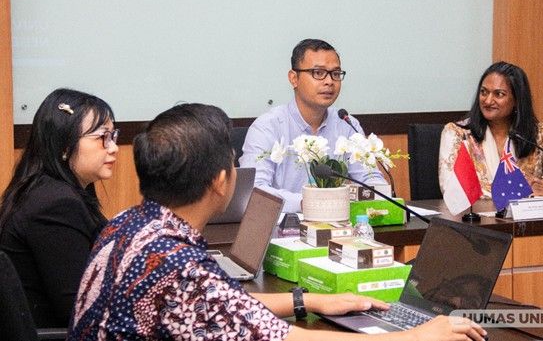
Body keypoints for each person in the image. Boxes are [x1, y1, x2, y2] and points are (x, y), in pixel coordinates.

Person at [68, 103, 486, 341]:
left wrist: (309, 301)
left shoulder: (130, 225)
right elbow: (284, 338)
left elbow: (225, 305)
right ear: (220, 180)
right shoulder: (180, 267)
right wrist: (412, 337)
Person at [0, 88, 119, 327]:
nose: (113, 147)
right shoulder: (55, 204)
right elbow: (78, 309)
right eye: (103, 137)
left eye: (113, 136)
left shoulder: (51, 190)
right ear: (64, 144)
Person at [239, 39, 385, 212]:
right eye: (318, 73)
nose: (329, 81)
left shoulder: (347, 124)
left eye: (335, 74)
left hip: (338, 223)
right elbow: (255, 191)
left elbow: (371, 179)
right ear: (294, 78)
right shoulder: (267, 127)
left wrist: (381, 197)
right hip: (286, 226)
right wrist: (308, 202)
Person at [439, 61, 543, 200]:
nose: (488, 100)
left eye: (499, 94)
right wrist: (524, 190)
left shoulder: (538, 133)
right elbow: (453, 188)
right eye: (484, 92)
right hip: (477, 218)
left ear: (517, 100)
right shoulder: (458, 133)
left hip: (529, 218)